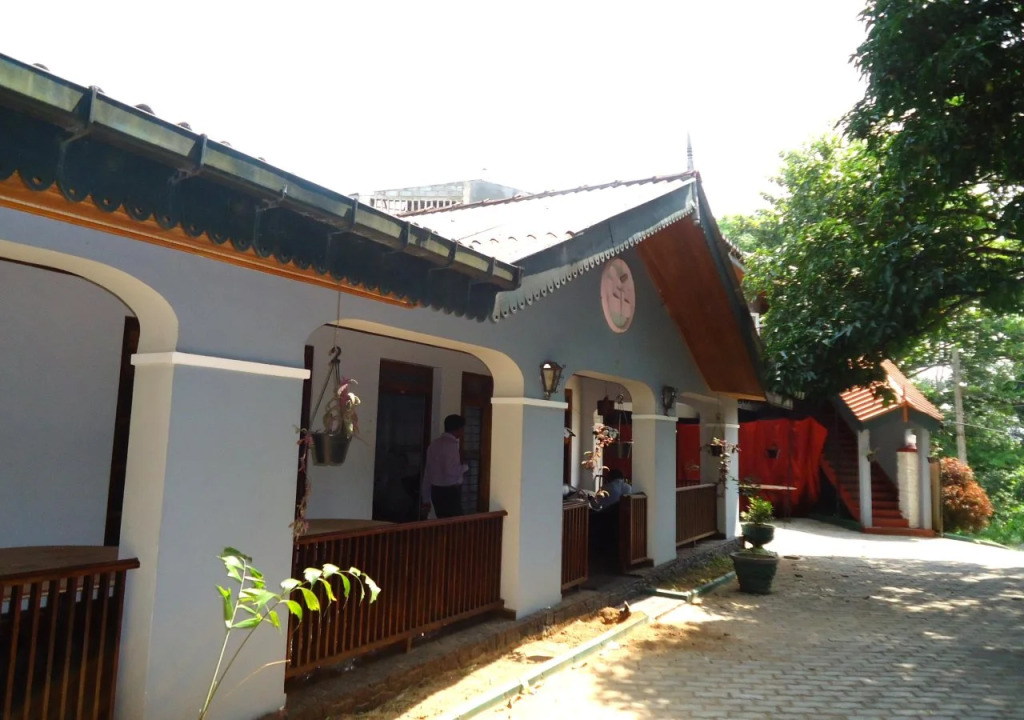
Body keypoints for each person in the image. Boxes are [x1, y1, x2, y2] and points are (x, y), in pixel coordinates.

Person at [421, 414, 469, 518]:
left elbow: (428, 472)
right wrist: (465, 467)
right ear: (458, 429)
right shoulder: (451, 445)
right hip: (449, 491)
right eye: (462, 429)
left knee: (443, 521)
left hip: (436, 491)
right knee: (457, 523)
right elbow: (451, 470)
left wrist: (426, 498)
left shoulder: (434, 444)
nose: (463, 432)